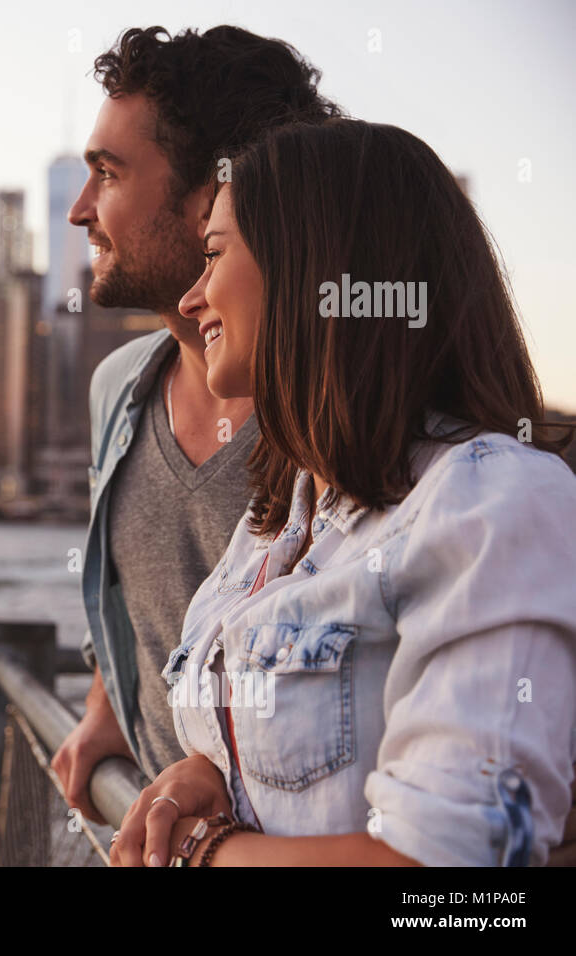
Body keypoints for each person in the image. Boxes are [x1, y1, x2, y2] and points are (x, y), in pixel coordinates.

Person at [109, 118, 576, 866]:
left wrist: (210, 855)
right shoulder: (276, 524)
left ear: (312, 274)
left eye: (215, 256)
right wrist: (210, 776)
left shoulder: (492, 503)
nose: (192, 298)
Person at [50, 25, 341, 824]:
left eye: (108, 175)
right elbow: (130, 597)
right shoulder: (119, 390)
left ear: (213, 195)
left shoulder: (343, 418)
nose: (81, 211)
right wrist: (106, 703)